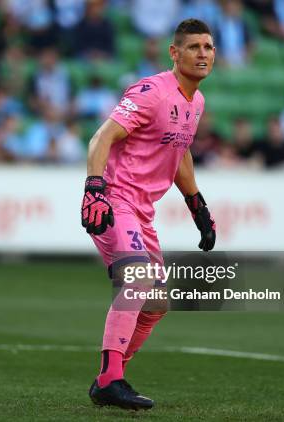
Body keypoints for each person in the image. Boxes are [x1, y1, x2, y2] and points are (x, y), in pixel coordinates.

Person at [81, 19, 216, 410]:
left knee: (156, 304)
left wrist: (198, 206)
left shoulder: (197, 102)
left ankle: (109, 378)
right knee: (137, 282)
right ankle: (110, 379)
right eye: (194, 47)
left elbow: (180, 153)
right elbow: (102, 137)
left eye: (208, 47)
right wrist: (94, 190)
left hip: (142, 211)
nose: (203, 54)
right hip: (116, 201)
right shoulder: (150, 92)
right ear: (174, 53)